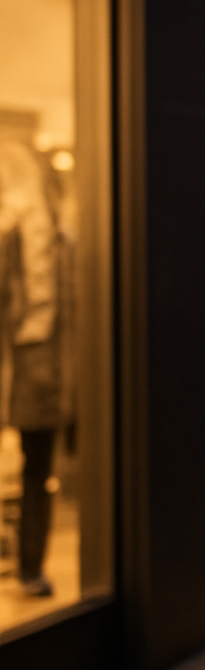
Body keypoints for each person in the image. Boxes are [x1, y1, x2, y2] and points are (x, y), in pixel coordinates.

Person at [0, 139, 74, 598]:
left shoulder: (58, 240)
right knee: (36, 471)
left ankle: (29, 564)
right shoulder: (43, 239)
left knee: (36, 471)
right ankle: (28, 564)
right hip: (34, 373)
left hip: (37, 374)